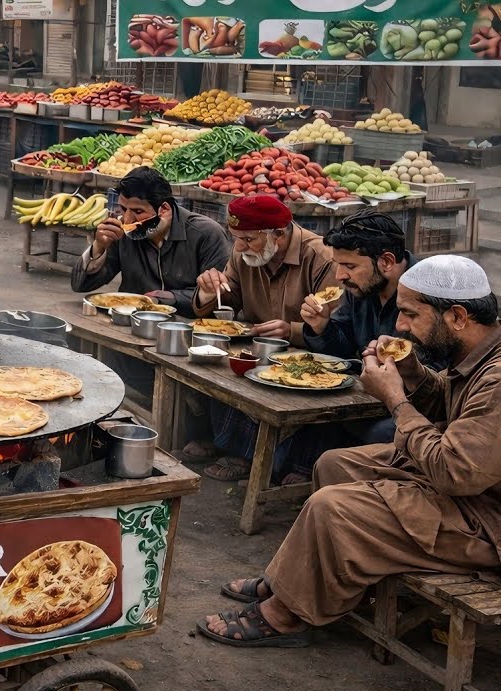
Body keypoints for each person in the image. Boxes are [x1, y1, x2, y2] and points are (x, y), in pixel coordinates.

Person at [197, 255, 501, 648]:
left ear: (458, 316)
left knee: (334, 507)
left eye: (410, 314)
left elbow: (455, 474)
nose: (400, 326)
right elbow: (449, 406)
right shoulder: (478, 351)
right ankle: (305, 583)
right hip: (469, 486)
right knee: (336, 463)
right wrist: (413, 375)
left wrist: (395, 399)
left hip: (486, 523)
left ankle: (286, 614)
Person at [189, 195, 335, 483]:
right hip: (256, 347)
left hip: (307, 355)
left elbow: (332, 325)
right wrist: (208, 292)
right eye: (235, 239)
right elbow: (227, 299)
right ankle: (235, 448)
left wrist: (292, 330)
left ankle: (280, 463)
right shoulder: (243, 253)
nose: (239, 247)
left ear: (278, 235)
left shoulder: (320, 257)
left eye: (248, 240)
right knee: (217, 365)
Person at [302, 210, 423, 446]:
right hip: (372, 396)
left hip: (421, 406)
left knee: (379, 433)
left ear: (386, 262)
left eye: (349, 265)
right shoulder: (362, 287)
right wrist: (322, 327)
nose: (339, 276)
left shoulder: (426, 291)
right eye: (338, 264)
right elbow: (343, 347)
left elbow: (435, 376)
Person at [71, 166, 231, 315]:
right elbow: (80, 285)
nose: (127, 219)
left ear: (165, 210)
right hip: (129, 321)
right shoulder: (123, 231)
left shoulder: (206, 234)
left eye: (138, 211)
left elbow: (220, 295)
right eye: (124, 209)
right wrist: (99, 247)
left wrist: (166, 298)